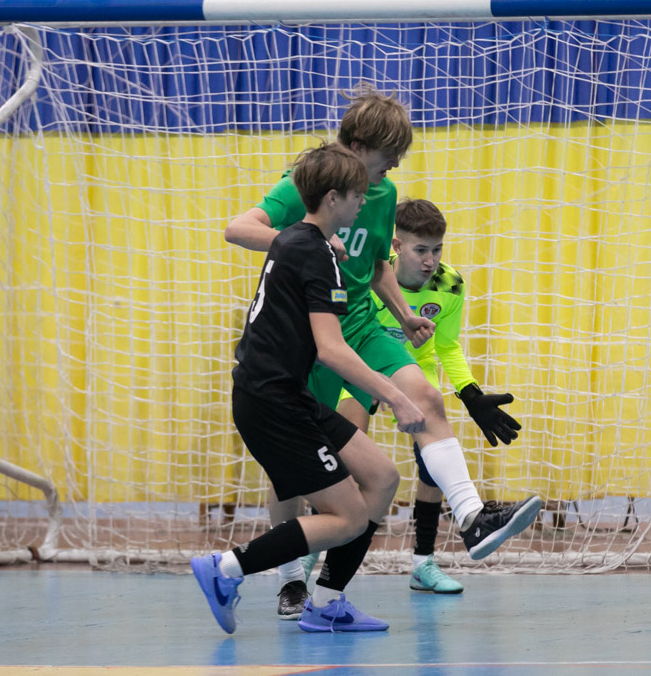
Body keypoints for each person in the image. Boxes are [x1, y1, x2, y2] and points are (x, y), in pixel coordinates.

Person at [224, 85, 542, 620]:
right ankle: (290, 578)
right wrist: (308, 242)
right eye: (387, 153)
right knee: (294, 474)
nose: (394, 164)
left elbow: (375, 264)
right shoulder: (308, 184)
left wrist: (403, 315)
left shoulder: (384, 193)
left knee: (426, 398)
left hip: (362, 324)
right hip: (314, 337)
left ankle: (471, 517)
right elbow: (239, 228)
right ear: (356, 146)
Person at [192, 143, 426, 634]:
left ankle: (327, 603)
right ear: (333, 198)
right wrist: (397, 396)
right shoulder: (313, 252)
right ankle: (225, 568)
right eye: (358, 196)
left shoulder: (302, 241)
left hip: (284, 395)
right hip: (271, 403)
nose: (364, 204)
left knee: (382, 477)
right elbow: (331, 350)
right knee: (349, 516)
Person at [328, 197, 522, 595]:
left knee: (432, 461)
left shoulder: (450, 285)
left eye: (437, 249)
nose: (431, 260)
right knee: (344, 457)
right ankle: (313, 556)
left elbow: (446, 346)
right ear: (397, 246)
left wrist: (470, 393)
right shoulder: (369, 275)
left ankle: (423, 563)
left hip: (414, 368)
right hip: (363, 363)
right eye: (421, 250)